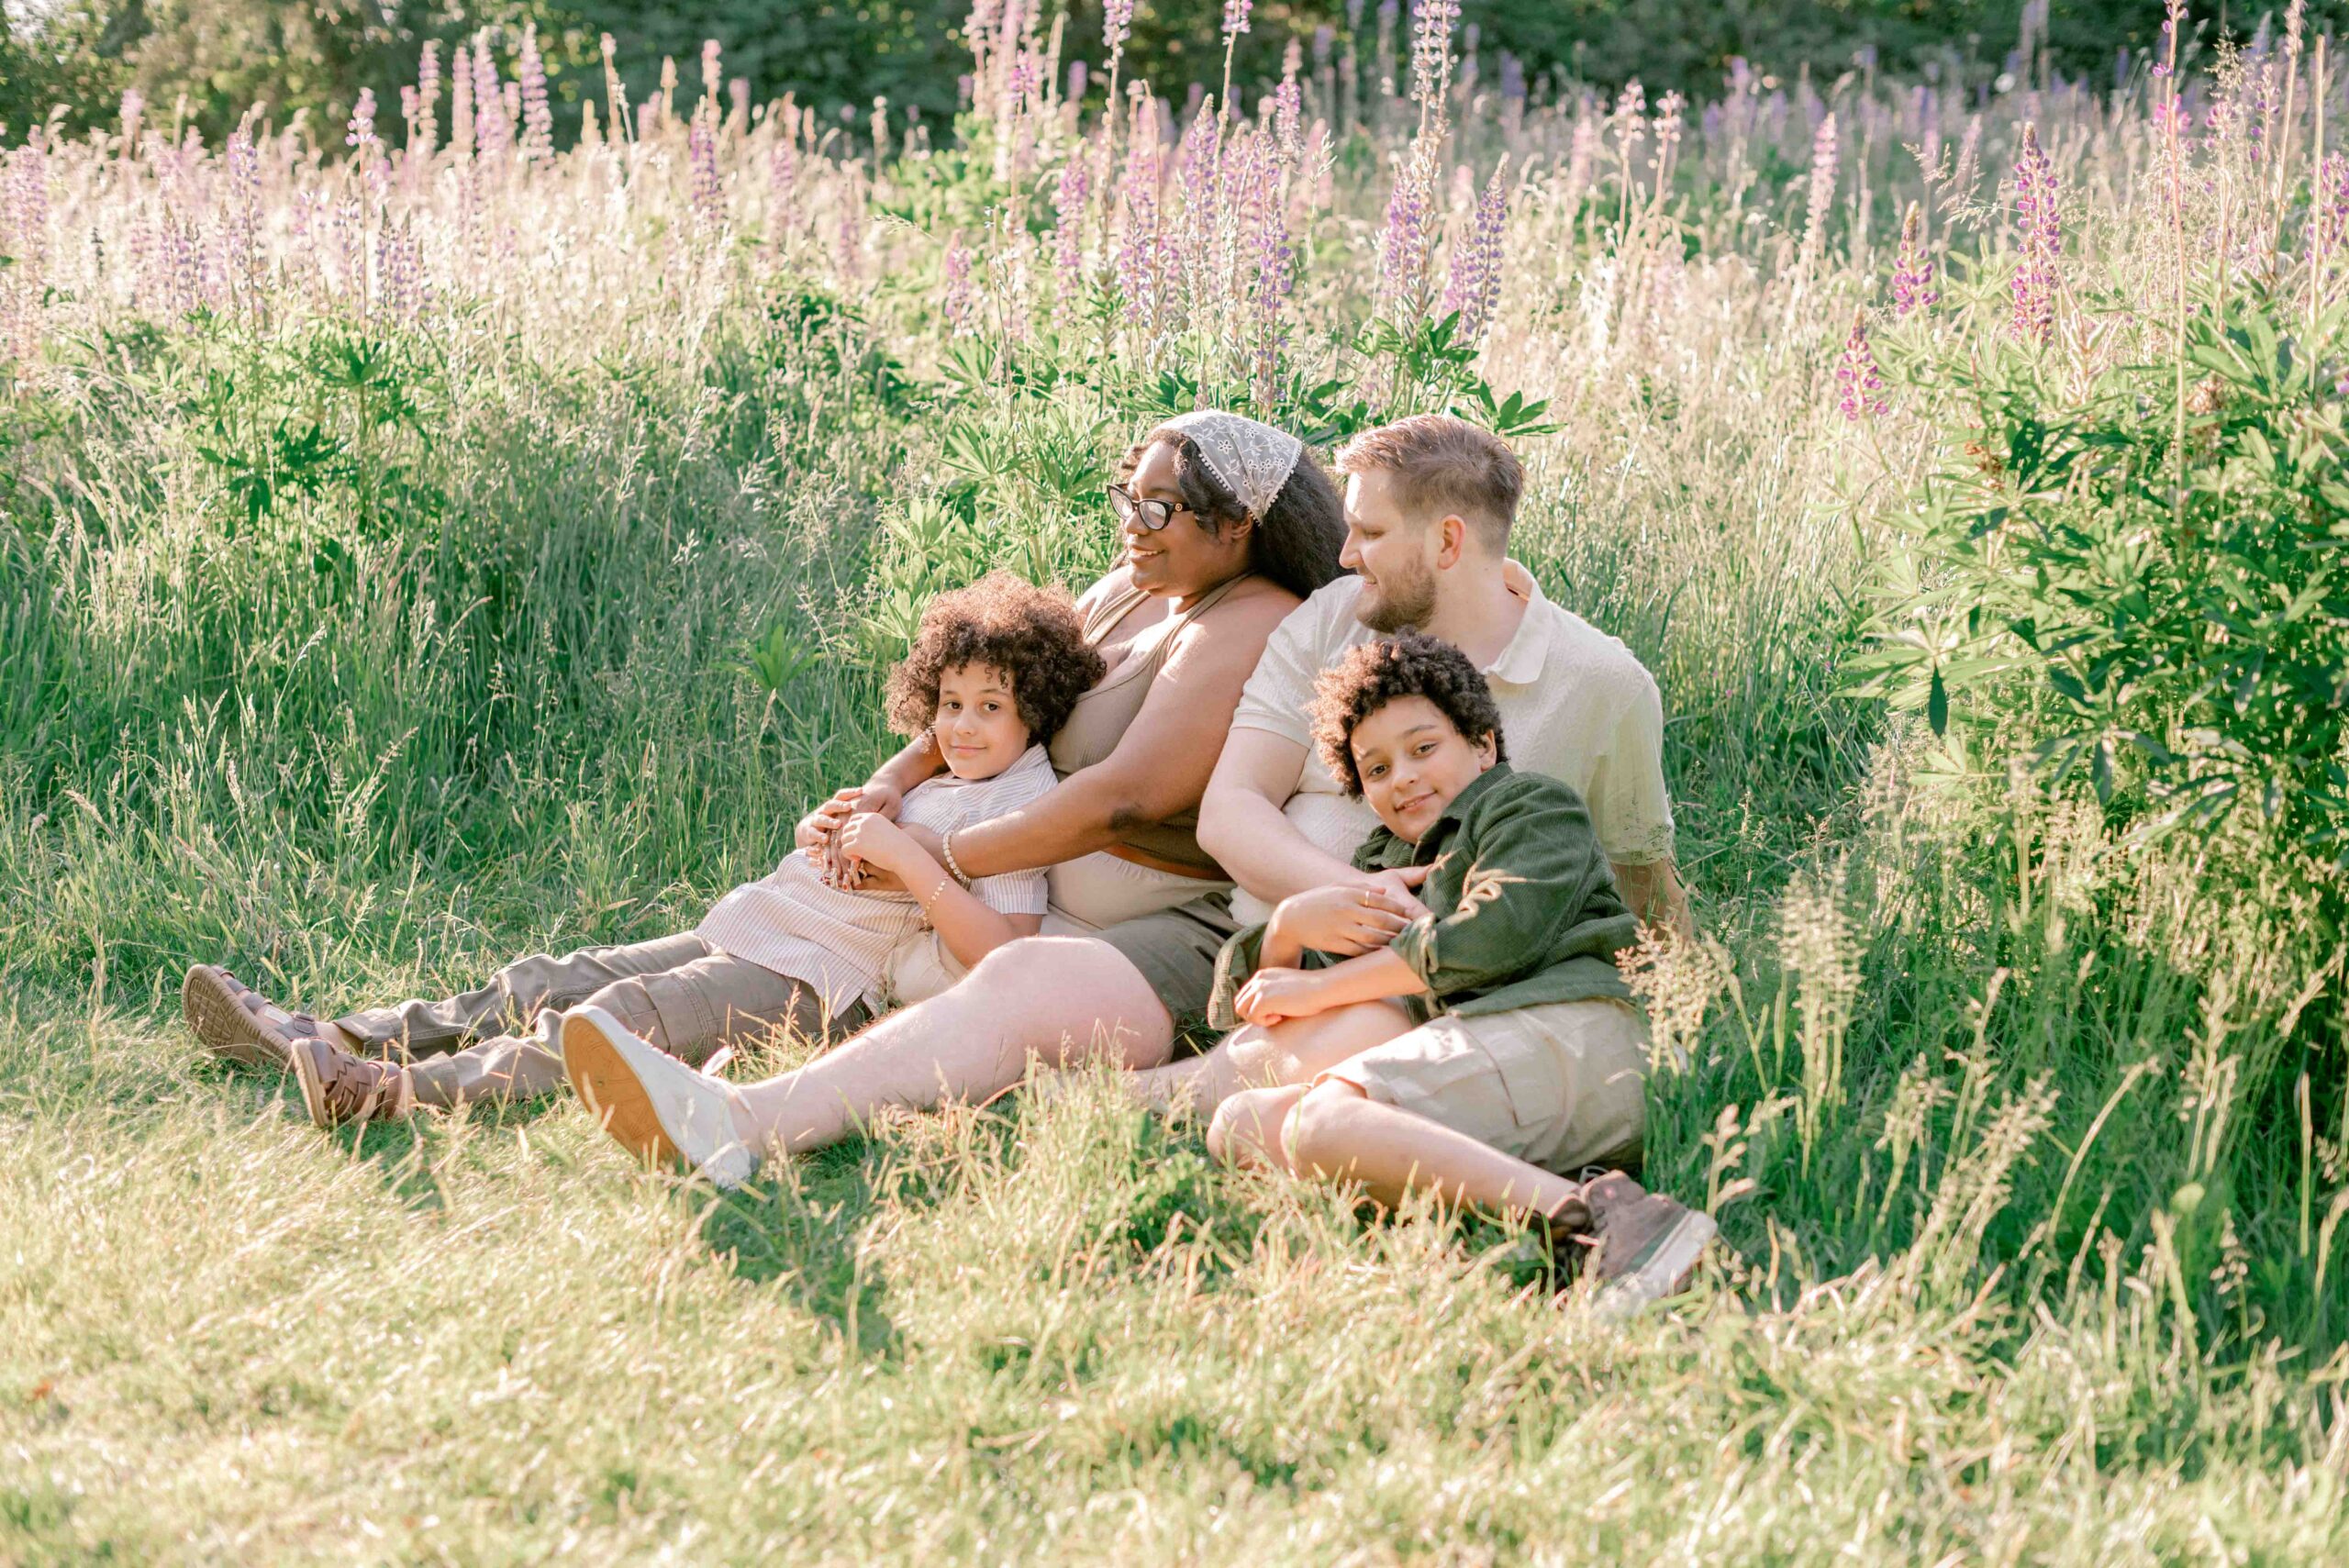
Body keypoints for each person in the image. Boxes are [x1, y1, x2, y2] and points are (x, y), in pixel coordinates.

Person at [562, 414, 1689, 1184]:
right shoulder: (1330, 621)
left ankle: (1070, 1113)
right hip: (1237, 936)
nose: (1341, 553)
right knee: (1034, 971)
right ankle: (742, 1119)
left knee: (1210, 1094)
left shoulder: (1598, 685)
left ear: (1449, 540)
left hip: (1415, 979)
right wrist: (1327, 898)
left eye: (1371, 532)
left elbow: (1642, 873)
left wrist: (1683, 1008)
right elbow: (1229, 811)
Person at [182, 573, 1105, 1127]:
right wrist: (830, 828)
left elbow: (1008, 954)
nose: (964, 723)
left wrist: (906, 862)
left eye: (990, 705)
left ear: (1037, 705)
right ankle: (339, 1032)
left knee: (622, 1014)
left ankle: (391, 1090)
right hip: (763, 921)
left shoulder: (1028, 801)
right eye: (950, 702)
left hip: (820, 977)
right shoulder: (937, 766)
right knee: (556, 973)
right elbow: (881, 804)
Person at [1196, 633, 1713, 1306]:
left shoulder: (1529, 808)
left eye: (1423, 748)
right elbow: (1269, 1009)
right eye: (1376, 769)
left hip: (1581, 1037)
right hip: (1490, 1060)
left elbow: (1489, 938)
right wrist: (1292, 925)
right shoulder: (1384, 869)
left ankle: (1619, 1223)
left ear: (1483, 745)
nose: (1402, 776)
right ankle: (1525, 1231)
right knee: (1240, 1124)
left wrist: (1324, 981)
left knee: (1319, 1121)